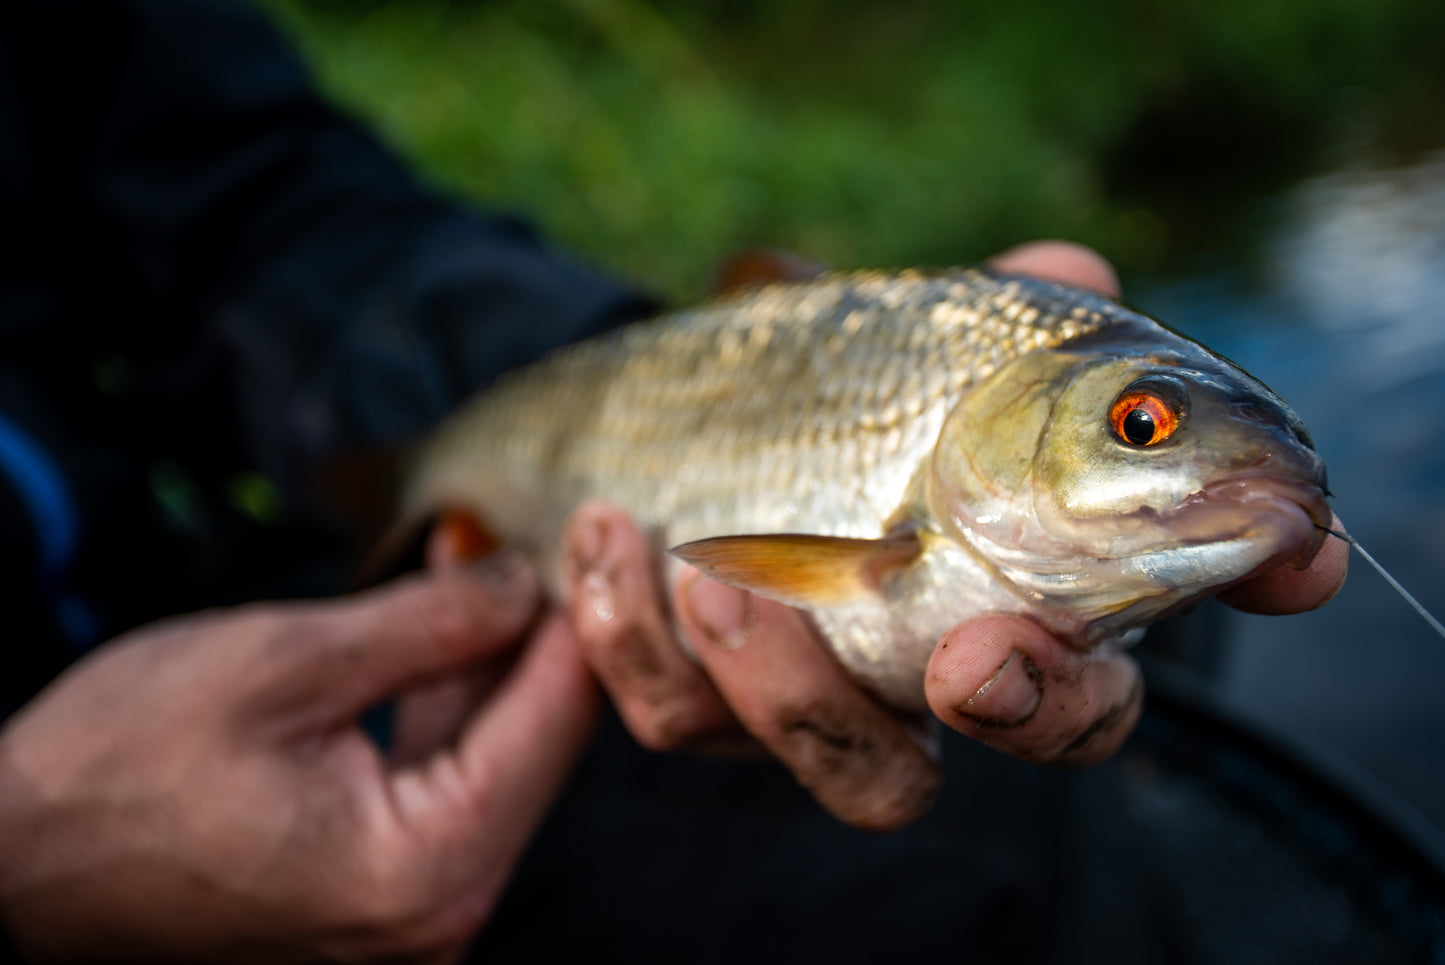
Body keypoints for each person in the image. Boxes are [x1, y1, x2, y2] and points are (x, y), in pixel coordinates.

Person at [0, 1, 1348, 961]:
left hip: (194, 580)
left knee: (1110, 688)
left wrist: (590, 373)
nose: (1174, 449)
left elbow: (260, 210)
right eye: (1135, 419)